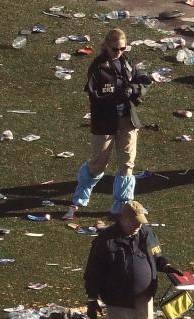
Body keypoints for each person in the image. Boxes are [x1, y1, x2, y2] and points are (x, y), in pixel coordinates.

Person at [63, 28, 153, 220]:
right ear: (106, 46)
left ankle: (123, 203)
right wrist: (117, 94)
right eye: (115, 49)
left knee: (127, 162)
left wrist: (134, 89)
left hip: (127, 120)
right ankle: (81, 196)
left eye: (123, 48)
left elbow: (144, 81)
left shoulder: (127, 63)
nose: (119, 52)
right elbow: (94, 96)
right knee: (98, 163)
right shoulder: (98, 67)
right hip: (104, 121)